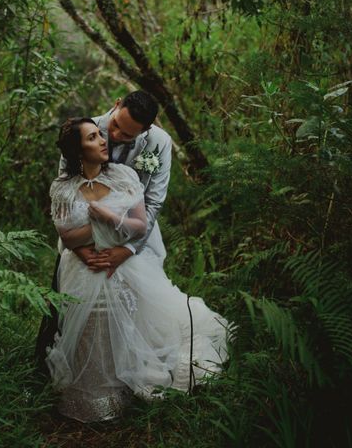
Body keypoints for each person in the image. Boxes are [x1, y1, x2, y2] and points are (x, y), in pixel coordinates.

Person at [45, 117, 230, 423]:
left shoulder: (124, 176)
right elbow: (66, 235)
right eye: (93, 138)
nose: (103, 140)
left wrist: (104, 220)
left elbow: (138, 226)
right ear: (78, 152)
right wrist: (103, 231)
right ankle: (95, 395)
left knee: (129, 311)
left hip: (123, 261)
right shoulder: (64, 188)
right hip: (81, 263)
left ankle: (126, 386)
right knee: (88, 317)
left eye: (99, 134)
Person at [34, 91, 172, 372]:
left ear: (147, 129)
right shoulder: (84, 129)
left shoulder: (159, 143)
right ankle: (50, 363)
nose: (116, 135)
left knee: (137, 305)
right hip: (81, 233)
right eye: (116, 126)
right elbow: (64, 188)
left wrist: (127, 250)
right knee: (65, 304)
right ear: (117, 103)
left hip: (134, 233)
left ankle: (128, 366)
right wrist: (82, 251)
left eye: (128, 134)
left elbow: (154, 201)